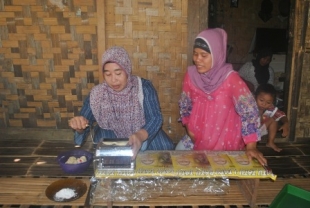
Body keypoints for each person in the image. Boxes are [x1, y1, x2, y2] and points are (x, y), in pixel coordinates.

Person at [175, 28, 267, 166]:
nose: (197, 60)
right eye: (195, 54)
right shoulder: (191, 75)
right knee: (178, 155)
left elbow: (249, 111)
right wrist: (189, 130)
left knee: (216, 173)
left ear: (217, 54)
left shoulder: (231, 79)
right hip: (197, 136)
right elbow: (185, 104)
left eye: (203, 55)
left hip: (224, 140)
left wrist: (251, 147)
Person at [68, 46, 174, 159]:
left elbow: (155, 118)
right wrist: (79, 126)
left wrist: (140, 135)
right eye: (108, 74)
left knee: (165, 147)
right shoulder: (97, 94)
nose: (113, 80)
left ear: (127, 69)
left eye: (118, 73)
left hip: (142, 131)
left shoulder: (143, 87)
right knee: (102, 151)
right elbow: (84, 123)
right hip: (110, 133)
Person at [255, 83, 289, 152]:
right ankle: (249, 146)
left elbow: (281, 115)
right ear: (255, 97)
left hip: (259, 131)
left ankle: (270, 142)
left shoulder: (271, 108)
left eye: (268, 102)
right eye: (261, 100)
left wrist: (286, 123)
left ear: (272, 102)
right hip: (248, 132)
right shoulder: (250, 106)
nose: (264, 104)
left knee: (274, 119)